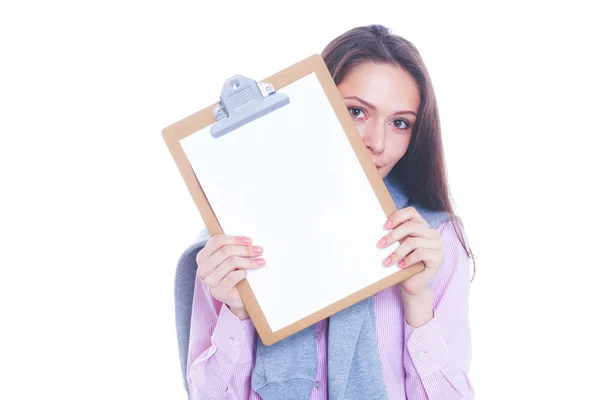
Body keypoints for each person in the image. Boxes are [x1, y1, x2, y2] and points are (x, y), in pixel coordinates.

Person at [179, 24, 475, 399]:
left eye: (400, 123)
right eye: (356, 112)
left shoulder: (433, 241)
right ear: (313, 105)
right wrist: (237, 311)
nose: (377, 143)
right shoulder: (234, 237)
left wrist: (418, 300)